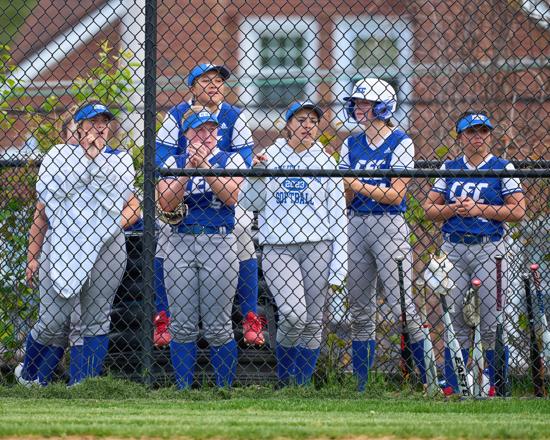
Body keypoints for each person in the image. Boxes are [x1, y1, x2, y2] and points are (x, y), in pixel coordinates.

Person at [16, 102, 139, 386]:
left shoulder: (120, 159)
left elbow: (124, 197)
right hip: (64, 243)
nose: (100, 127)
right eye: (93, 122)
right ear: (80, 127)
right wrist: (87, 160)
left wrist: (108, 225)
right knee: (52, 321)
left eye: (104, 122)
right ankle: (28, 376)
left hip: (106, 244)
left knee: (96, 320)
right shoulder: (58, 157)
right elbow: (48, 200)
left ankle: (83, 385)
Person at [155, 63, 265, 347]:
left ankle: (250, 314)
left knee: (242, 230)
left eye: (218, 80)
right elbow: (160, 158)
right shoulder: (177, 114)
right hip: (183, 188)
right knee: (163, 233)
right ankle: (163, 316)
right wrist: (186, 165)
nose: (214, 85)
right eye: (205, 81)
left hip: (222, 187)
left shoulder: (234, 115)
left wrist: (212, 162)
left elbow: (244, 159)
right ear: (192, 87)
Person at [239, 102, 348, 386]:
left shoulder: (326, 162)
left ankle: (301, 386)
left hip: (318, 245)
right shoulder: (270, 155)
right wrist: (257, 175)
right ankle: (284, 377)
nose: (307, 126)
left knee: (312, 322)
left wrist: (338, 269)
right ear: (288, 124)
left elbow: (338, 217)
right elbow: (250, 204)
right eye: (301, 120)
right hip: (278, 246)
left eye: (313, 121)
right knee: (293, 314)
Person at [423, 111, 525, 396]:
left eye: (483, 131)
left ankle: (495, 385)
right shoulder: (449, 167)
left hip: (489, 247)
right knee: (454, 319)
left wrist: (479, 209)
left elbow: (518, 210)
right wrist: (452, 208)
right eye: (471, 132)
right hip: (453, 248)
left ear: (489, 136)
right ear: (460, 137)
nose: (478, 137)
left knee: (491, 321)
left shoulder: (502, 167)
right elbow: (428, 208)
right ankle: (455, 385)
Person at [340, 78, 431, 391]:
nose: (358, 108)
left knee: (401, 305)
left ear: (383, 107)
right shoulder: (350, 143)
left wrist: (356, 184)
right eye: (357, 103)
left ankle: (429, 379)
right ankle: (362, 385)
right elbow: (346, 197)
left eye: (366, 103)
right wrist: (349, 189)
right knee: (360, 310)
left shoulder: (401, 141)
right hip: (356, 224)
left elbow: (396, 195)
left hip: (389, 225)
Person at [157, 107, 246, 389]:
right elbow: (166, 203)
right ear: (186, 134)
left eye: (211, 129)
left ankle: (224, 390)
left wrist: (205, 167)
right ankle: (183, 389)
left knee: (218, 326)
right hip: (180, 240)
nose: (205, 135)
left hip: (219, 240)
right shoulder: (174, 160)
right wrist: (187, 170)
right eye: (198, 130)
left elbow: (232, 196)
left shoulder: (229, 158)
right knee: (182, 326)